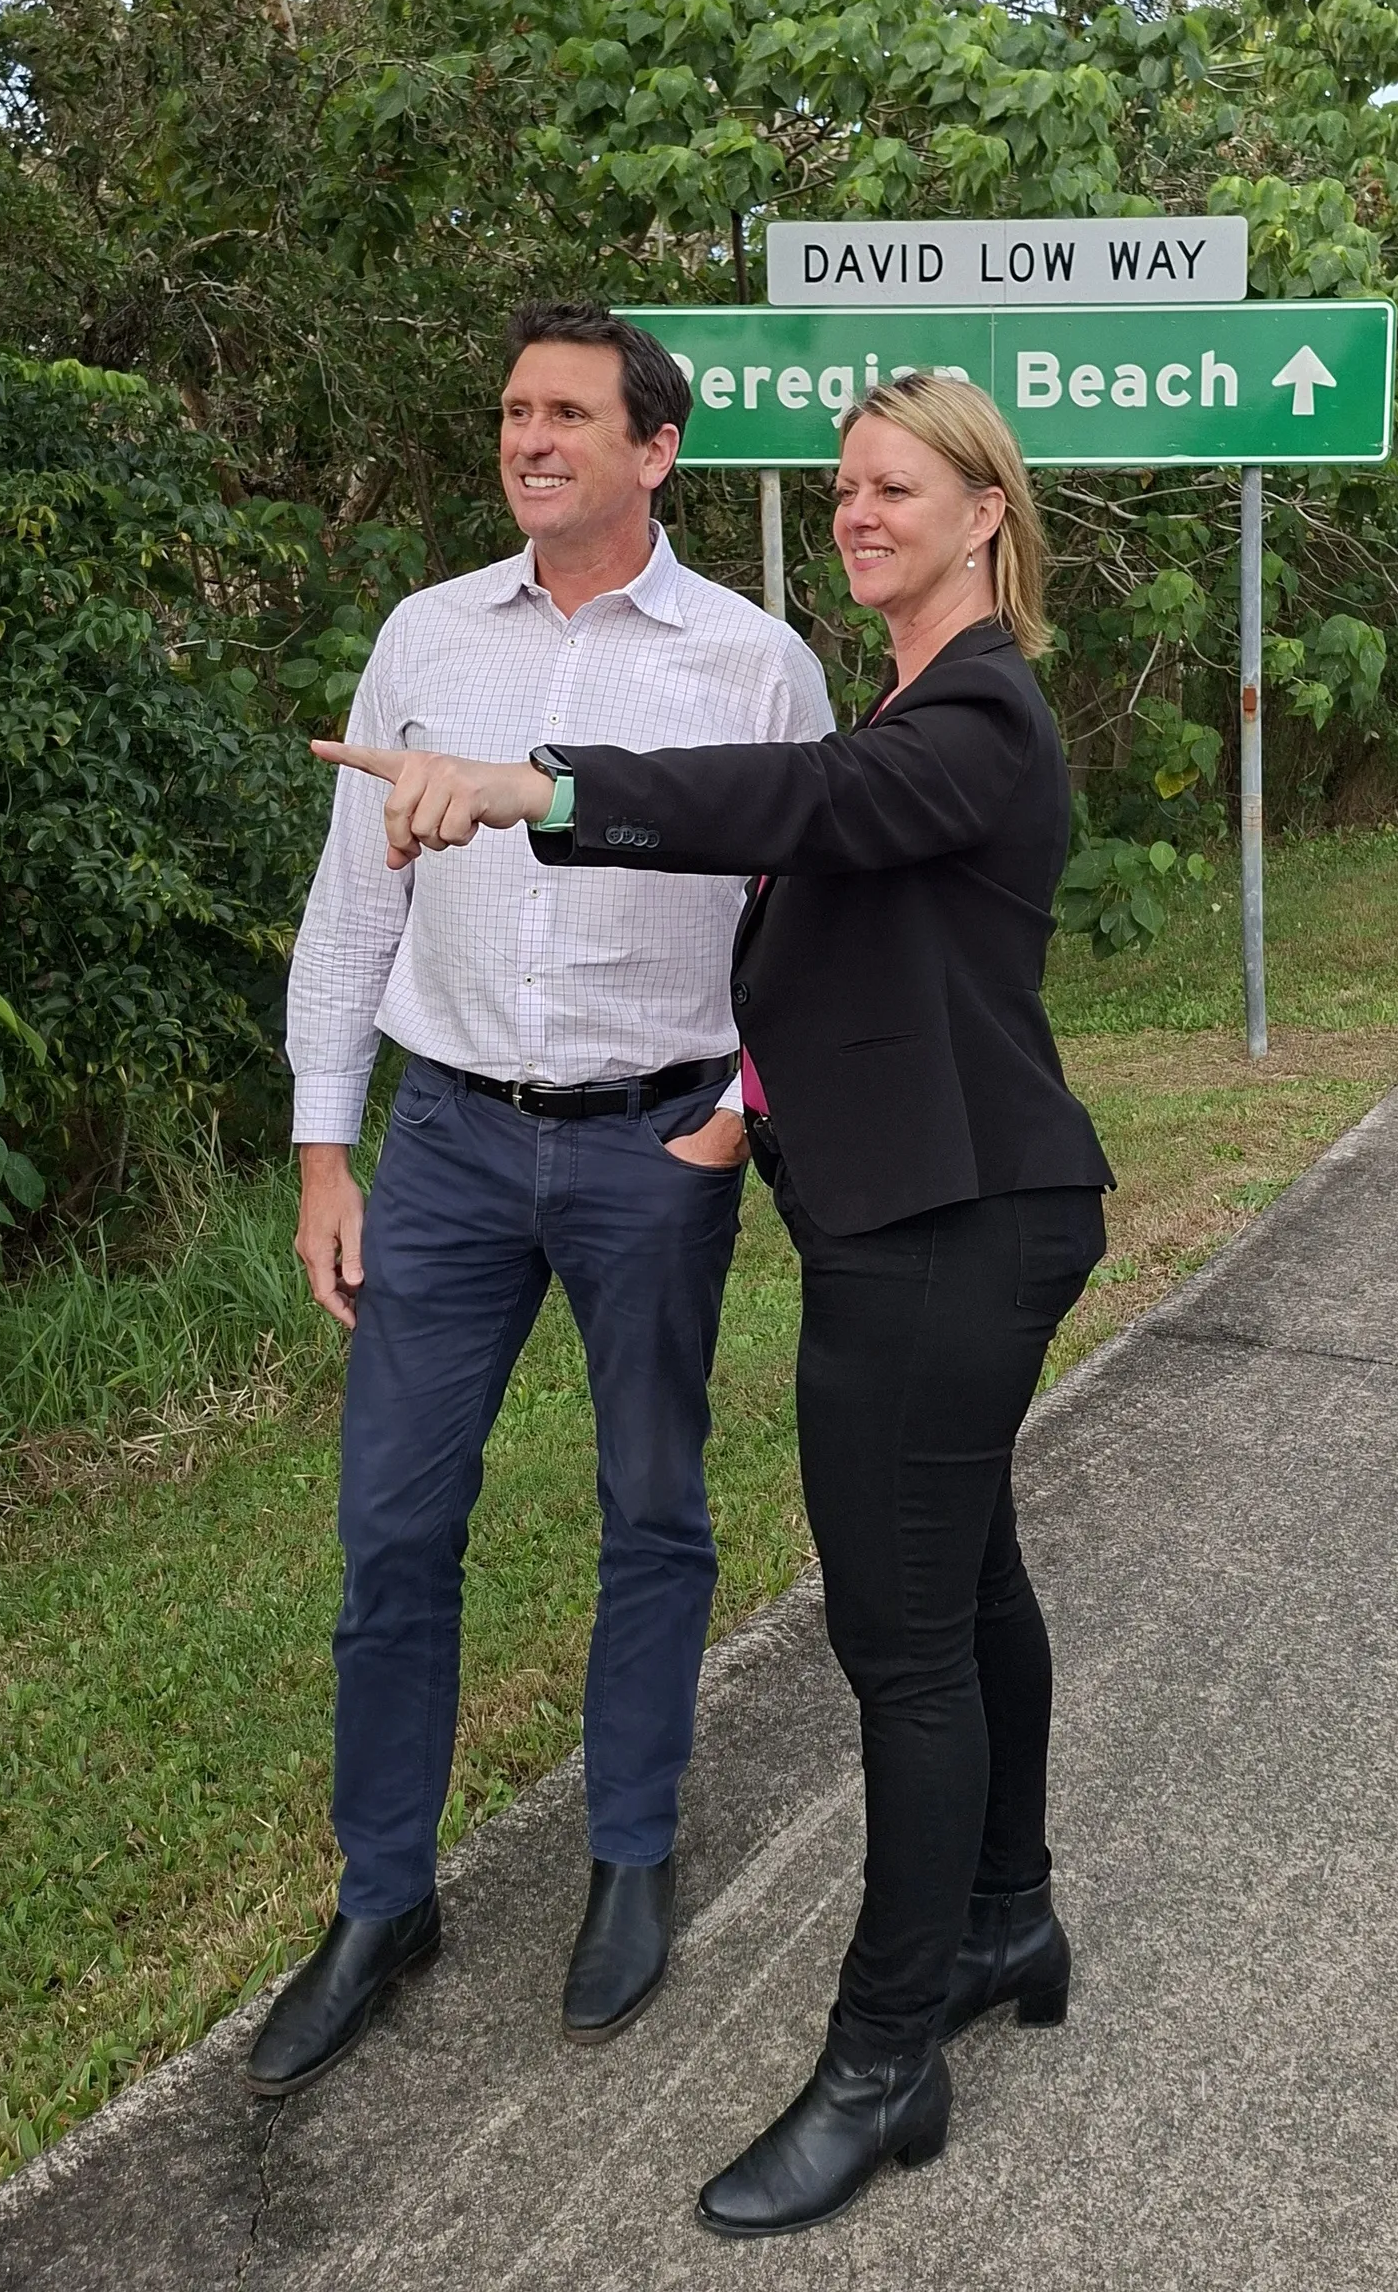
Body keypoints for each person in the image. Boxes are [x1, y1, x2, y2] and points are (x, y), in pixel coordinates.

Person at [312, 371, 1113, 2236]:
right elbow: (843, 918)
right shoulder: (934, 697)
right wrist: (742, 1110)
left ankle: (883, 2055)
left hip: (950, 1227)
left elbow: (803, 799)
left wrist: (541, 786)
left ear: (987, 509)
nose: (858, 510)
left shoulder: (977, 707)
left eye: (895, 485)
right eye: (845, 487)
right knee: (971, 1584)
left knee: (901, 1648)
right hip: (935, 1207)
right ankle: (1009, 1920)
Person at [250, 305, 834, 2099]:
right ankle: (384, 1895)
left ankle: (632, 1854)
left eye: (571, 411)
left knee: (652, 1512)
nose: (532, 436)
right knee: (392, 1530)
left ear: (656, 451)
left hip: (656, 1142)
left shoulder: (752, 665)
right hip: (446, 1149)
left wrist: (733, 1122)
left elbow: (809, 934)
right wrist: (326, 1147)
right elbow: (355, 906)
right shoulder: (428, 635)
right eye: (514, 409)